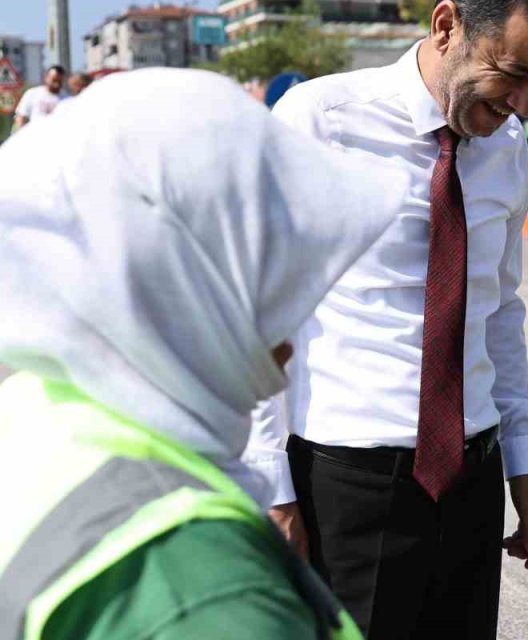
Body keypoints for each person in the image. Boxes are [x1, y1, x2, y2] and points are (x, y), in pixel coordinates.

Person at [0, 68, 410, 639]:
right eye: (270, 284)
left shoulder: (39, 404)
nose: (294, 337)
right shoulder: (211, 596)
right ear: (184, 287)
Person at [244, 0, 528, 637]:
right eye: (513, 73)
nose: (527, 103)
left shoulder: (508, 147)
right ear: (446, 25)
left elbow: (499, 310)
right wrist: (271, 486)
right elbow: (262, 311)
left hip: (471, 478)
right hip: (349, 486)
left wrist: (524, 461)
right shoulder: (319, 121)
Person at [13, 65, 65, 130]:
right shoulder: (32, 93)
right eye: (54, 80)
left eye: (59, 82)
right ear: (46, 78)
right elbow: (21, 116)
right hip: (36, 135)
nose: (56, 84)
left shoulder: (66, 98)